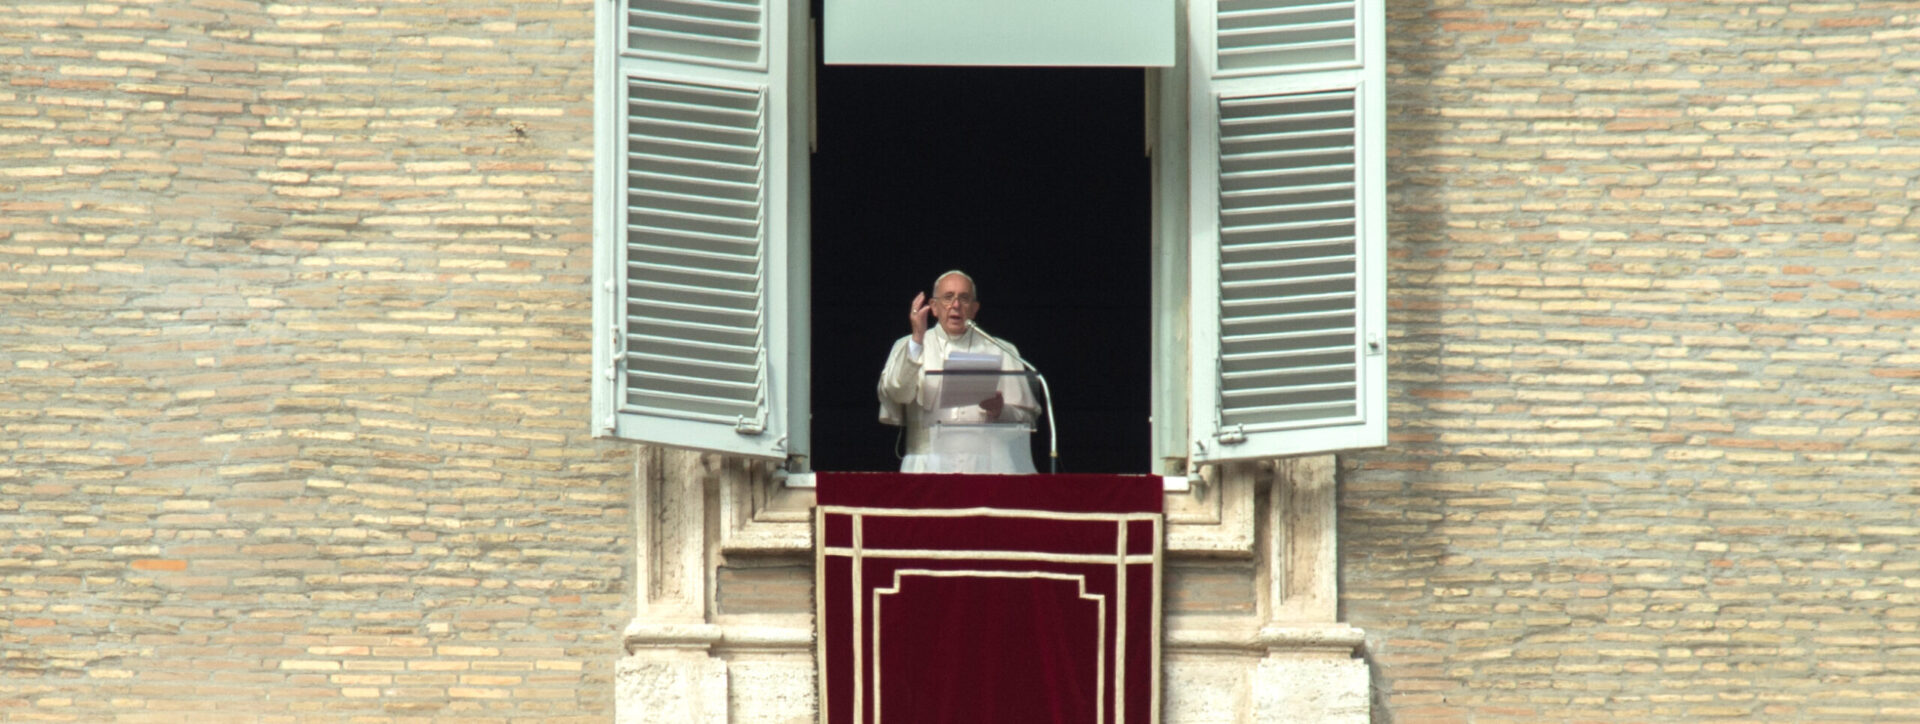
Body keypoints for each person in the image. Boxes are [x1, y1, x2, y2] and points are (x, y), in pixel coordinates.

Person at [877, 270, 1040, 473]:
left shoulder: (1002, 350)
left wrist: (1001, 410)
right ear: (934, 307)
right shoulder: (908, 346)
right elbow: (896, 392)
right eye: (948, 297)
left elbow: (1026, 418)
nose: (955, 305)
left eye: (964, 298)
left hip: (987, 467)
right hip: (927, 465)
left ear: (974, 309)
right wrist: (917, 338)